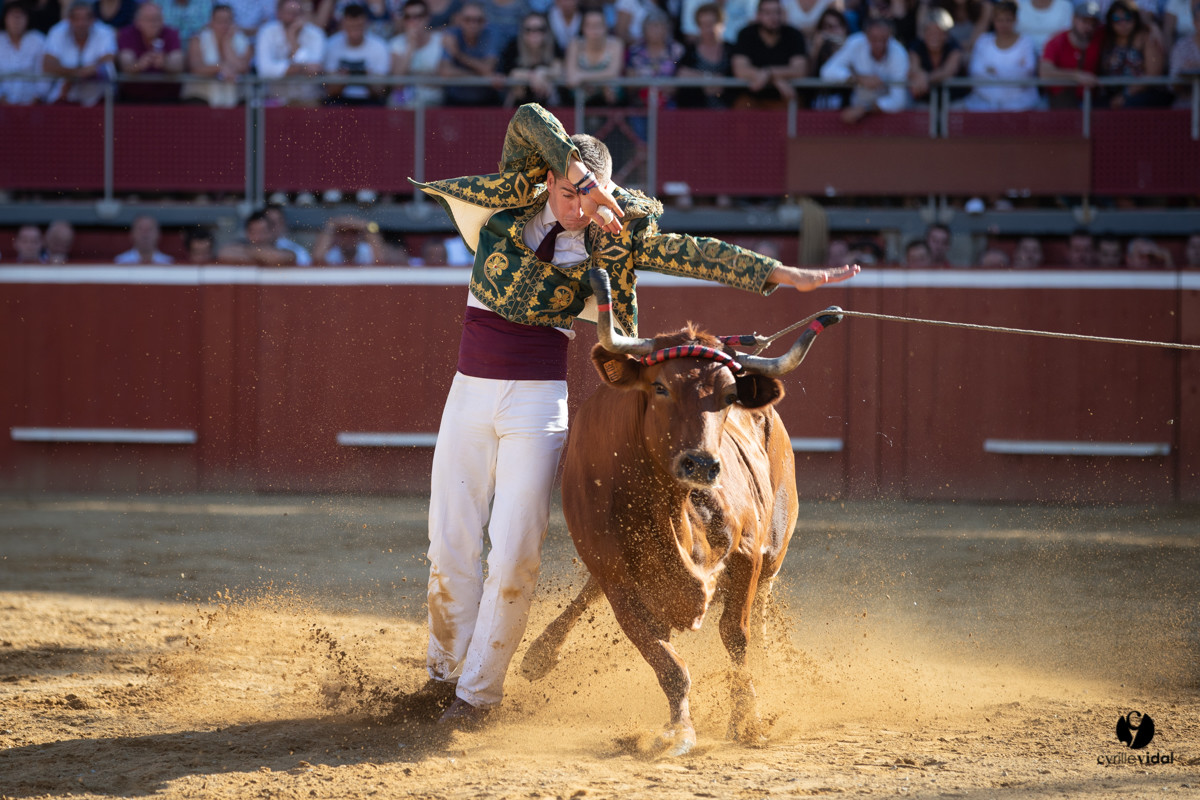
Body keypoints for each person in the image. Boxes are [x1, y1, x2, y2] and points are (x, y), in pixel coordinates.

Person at [405, 103, 860, 728]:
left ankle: (475, 697)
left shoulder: (614, 238)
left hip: (537, 401)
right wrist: (584, 180)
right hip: (470, 392)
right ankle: (441, 676)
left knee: (515, 555)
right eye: (569, 194)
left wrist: (781, 275)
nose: (578, 209)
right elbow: (529, 117)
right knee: (450, 542)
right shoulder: (511, 199)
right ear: (551, 180)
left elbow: (694, 253)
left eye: (590, 197)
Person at [819, 16, 908, 122]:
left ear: (890, 36)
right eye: (874, 39)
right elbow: (827, 71)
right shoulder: (855, 43)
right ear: (866, 36)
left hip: (888, 117)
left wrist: (865, 109)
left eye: (883, 39)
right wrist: (857, 78)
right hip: (857, 111)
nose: (879, 44)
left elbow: (898, 100)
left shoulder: (899, 53)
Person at [963, 0, 1040, 111]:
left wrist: (994, 70)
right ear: (993, 21)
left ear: (1015, 20)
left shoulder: (1026, 42)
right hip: (984, 106)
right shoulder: (983, 41)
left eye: (1008, 20)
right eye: (1000, 20)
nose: (1004, 24)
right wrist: (1013, 71)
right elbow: (976, 72)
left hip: (1022, 107)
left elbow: (1026, 73)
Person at [731, 0, 808, 108]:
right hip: (752, 99)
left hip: (785, 99)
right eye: (768, 13)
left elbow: (799, 70)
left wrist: (769, 73)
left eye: (777, 12)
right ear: (758, 15)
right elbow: (740, 70)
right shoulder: (746, 34)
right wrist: (775, 80)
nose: (773, 17)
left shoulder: (794, 35)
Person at [42, 1, 117, 106]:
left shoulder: (105, 32)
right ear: (69, 19)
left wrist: (72, 76)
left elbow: (108, 59)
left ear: (93, 19)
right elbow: (48, 65)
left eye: (86, 18)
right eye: (77, 19)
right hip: (64, 95)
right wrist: (79, 73)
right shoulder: (57, 31)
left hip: (96, 98)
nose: (81, 23)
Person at [1098, 0, 1170, 108]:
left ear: (1135, 18)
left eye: (1128, 17)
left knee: (1128, 105)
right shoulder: (1105, 39)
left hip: (1144, 94)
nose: (1123, 23)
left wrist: (1126, 94)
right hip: (1113, 94)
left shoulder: (1148, 38)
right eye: (1116, 19)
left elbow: (1153, 75)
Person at [182, 3, 254, 107]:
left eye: (228, 21)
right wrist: (219, 67)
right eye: (220, 21)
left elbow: (243, 68)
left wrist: (226, 43)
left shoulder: (242, 41)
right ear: (211, 22)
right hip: (201, 97)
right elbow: (196, 67)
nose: (224, 25)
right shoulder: (197, 39)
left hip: (234, 99)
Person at [255, 0, 325, 105]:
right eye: (289, 13)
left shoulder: (316, 34)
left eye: (297, 13)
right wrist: (300, 69)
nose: (293, 17)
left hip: (308, 100)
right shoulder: (267, 32)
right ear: (278, 13)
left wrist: (292, 39)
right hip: (276, 100)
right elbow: (264, 70)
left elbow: (314, 71)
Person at [1039, 0, 1102, 109]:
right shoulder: (1057, 41)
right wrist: (1076, 76)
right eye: (1084, 21)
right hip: (1061, 103)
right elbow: (1045, 72)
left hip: (1093, 102)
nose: (1089, 27)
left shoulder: (1100, 37)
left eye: (1093, 23)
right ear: (1073, 19)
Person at [116, 2, 185, 102]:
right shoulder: (127, 34)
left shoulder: (171, 34)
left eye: (157, 19)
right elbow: (126, 67)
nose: (153, 23)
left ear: (162, 20)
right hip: (133, 98)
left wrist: (165, 63)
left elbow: (178, 66)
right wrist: (139, 65)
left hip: (166, 98)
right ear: (137, 21)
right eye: (148, 19)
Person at [322, 3, 389, 105]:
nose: (355, 32)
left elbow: (381, 91)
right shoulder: (331, 45)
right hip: (339, 100)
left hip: (370, 100)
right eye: (351, 27)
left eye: (359, 26)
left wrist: (367, 79)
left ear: (366, 24)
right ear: (343, 25)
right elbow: (330, 91)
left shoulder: (380, 46)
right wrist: (343, 79)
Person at [439, 2, 502, 106]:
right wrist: (481, 75)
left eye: (478, 20)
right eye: (467, 19)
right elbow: (444, 71)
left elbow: (487, 68)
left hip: (486, 100)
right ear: (459, 20)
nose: (473, 24)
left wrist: (458, 54)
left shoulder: (491, 33)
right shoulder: (452, 34)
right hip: (454, 101)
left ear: (485, 22)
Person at [497, 11, 562, 107]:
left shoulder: (553, 46)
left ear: (546, 32)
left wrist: (542, 72)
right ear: (522, 32)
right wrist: (533, 76)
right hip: (519, 108)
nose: (534, 34)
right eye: (529, 29)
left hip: (549, 108)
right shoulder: (513, 46)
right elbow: (508, 73)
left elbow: (558, 70)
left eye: (539, 29)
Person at [677, 2, 735, 108]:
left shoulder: (732, 50)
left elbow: (737, 75)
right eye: (704, 25)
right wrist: (709, 79)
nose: (709, 29)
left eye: (712, 23)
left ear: (722, 24)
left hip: (728, 108)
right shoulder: (690, 51)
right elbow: (682, 73)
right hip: (697, 109)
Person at [389, 0, 445, 108]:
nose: (413, 21)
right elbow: (397, 83)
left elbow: (442, 79)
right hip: (403, 104)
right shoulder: (396, 44)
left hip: (433, 104)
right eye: (408, 17)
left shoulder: (440, 41)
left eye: (418, 16)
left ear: (428, 18)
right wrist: (411, 46)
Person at [624, 7, 683, 107]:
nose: (655, 30)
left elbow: (680, 73)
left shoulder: (676, 50)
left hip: (670, 102)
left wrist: (671, 87)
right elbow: (630, 80)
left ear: (666, 29)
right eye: (651, 27)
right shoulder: (635, 51)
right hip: (640, 102)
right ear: (644, 29)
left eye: (659, 26)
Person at [563, 7, 624, 106]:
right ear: (583, 28)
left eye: (598, 25)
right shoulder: (575, 44)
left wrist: (583, 77)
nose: (594, 29)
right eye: (590, 25)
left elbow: (613, 72)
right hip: (581, 101)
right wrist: (601, 80)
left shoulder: (616, 44)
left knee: (611, 92)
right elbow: (571, 76)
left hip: (610, 100)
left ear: (606, 27)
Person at [907, 6, 965, 106]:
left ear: (946, 35)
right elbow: (914, 68)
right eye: (930, 31)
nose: (934, 36)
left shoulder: (954, 47)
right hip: (925, 102)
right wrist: (918, 75)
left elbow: (948, 71)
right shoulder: (916, 46)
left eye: (938, 32)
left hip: (953, 101)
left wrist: (926, 78)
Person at [1, 0, 48, 105]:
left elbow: (43, 75)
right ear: (5, 18)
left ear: (28, 18)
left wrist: (36, 98)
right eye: (13, 16)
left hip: (33, 105)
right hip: (2, 105)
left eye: (20, 16)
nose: (16, 21)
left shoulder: (38, 40)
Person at [217, 210, 299, 264]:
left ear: (271, 232)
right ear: (247, 233)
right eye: (253, 232)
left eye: (263, 232)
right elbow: (223, 253)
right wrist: (261, 255)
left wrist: (251, 253)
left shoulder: (285, 247)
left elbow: (281, 257)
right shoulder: (240, 245)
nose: (258, 237)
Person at [807, 6, 850, 108]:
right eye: (828, 27)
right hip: (817, 104)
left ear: (844, 28)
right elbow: (807, 75)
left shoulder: (852, 47)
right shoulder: (817, 50)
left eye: (837, 26)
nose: (833, 31)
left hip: (845, 105)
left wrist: (842, 48)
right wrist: (815, 50)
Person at [312, 214, 385, 264]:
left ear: (360, 237)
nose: (348, 238)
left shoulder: (366, 251)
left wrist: (365, 225)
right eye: (343, 234)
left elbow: (381, 260)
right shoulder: (333, 253)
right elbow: (317, 260)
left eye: (353, 234)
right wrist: (331, 225)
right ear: (337, 237)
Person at [1168, 2, 1200, 107]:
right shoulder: (1181, 46)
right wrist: (1186, 74)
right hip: (1187, 102)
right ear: (1194, 22)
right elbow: (1173, 85)